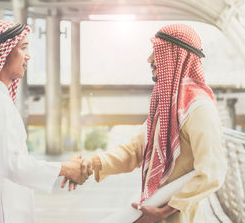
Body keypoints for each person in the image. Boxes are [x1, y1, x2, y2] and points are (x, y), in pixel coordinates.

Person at [64, 23, 227, 222]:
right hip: (154, 213)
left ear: (176, 57)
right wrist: (91, 164)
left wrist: (164, 211)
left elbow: (213, 172)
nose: (150, 59)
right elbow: (135, 150)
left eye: (158, 52)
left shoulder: (198, 108)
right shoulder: (167, 105)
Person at [0, 20, 89, 223]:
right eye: (23, 48)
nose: (28, 56)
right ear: (2, 53)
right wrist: (65, 169)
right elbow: (14, 165)